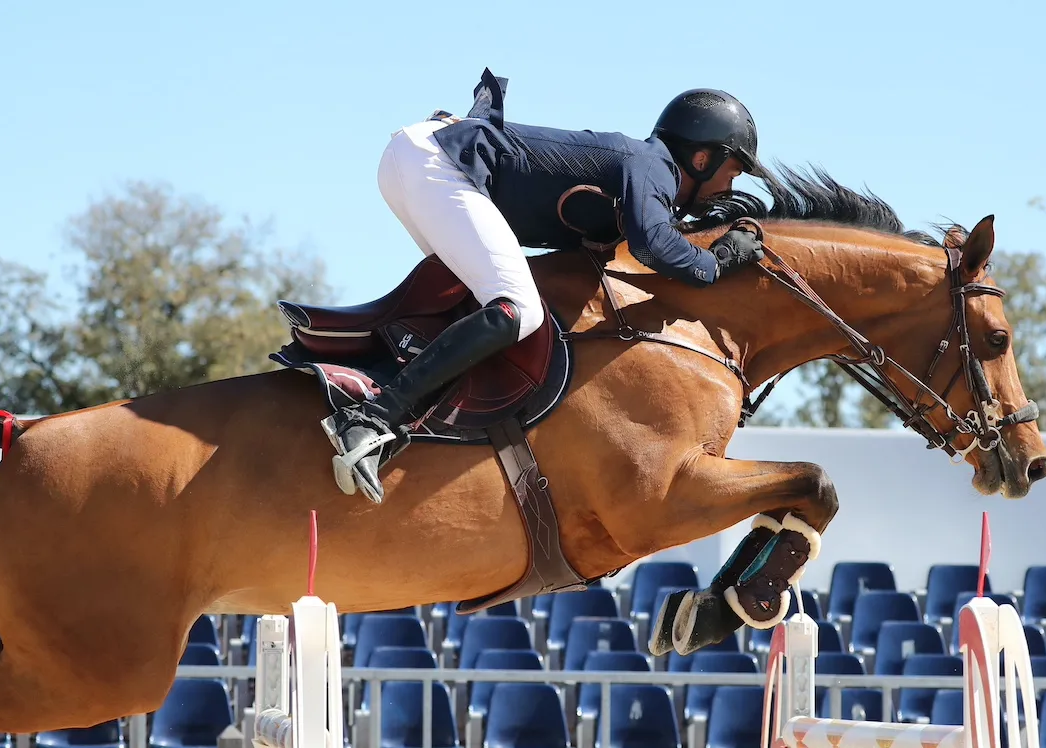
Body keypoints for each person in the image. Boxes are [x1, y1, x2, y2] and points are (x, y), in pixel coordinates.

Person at [323, 69, 768, 503]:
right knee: (519, 308)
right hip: (438, 161)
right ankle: (371, 417)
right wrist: (715, 264)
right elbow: (655, 246)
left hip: (420, 159)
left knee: (484, 308)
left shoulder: (646, 180)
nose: (729, 186)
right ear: (702, 157)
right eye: (732, 172)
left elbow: (642, 244)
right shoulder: (653, 164)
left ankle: (392, 409)